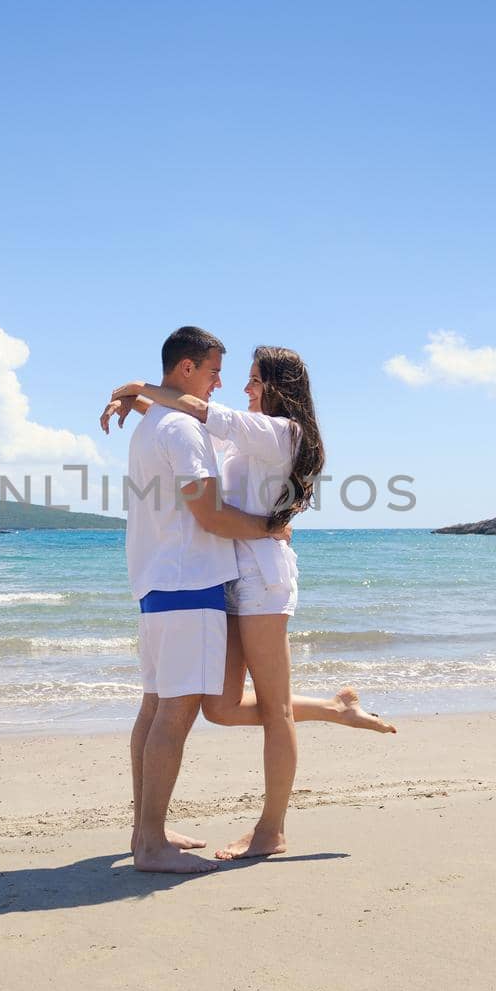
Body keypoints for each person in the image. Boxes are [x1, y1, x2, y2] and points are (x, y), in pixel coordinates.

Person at [103, 344, 396, 862]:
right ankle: (335, 708)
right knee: (218, 707)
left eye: (255, 380)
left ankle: (271, 830)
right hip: (228, 576)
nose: (244, 388)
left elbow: (195, 409)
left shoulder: (281, 432)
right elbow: (186, 431)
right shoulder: (250, 437)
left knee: (275, 709)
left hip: (262, 578)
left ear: (279, 386)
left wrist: (134, 388)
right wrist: (145, 408)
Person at [118, 326, 294, 875]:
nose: (219, 383)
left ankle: (146, 828)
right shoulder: (183, 431)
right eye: (215, 371)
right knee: (176, 710)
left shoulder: (152, 426)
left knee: (154, 704)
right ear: (187, 369)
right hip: (188, 583)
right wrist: (269, 528)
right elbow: (211, 515)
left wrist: (136, 393)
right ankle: (150, 844)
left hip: (155, 580)